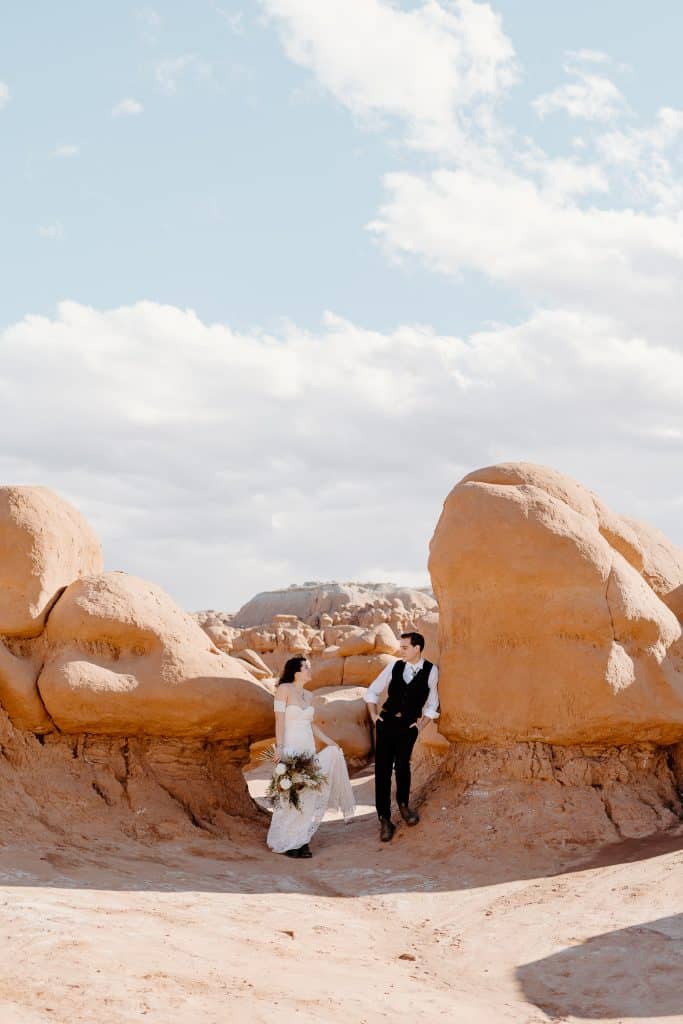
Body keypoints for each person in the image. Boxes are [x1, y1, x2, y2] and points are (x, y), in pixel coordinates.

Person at [266, 655, 355, 858]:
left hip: (308, 748)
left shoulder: (309, 695)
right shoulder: (284, 689)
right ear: (296, 671)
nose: (309, 670)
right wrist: (279, 747)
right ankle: (287, 842)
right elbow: (279, 720)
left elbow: (311, 724)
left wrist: (329, 741)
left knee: (309, 794)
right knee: (291, 794)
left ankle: (302, 840)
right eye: (306, 667)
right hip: (290, 747)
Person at [364, 631, 439, 842]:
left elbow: (432, 703)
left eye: (405, 647)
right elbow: (372, 691)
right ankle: (384, 819)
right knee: (382, 770)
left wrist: (419, 726)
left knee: (403, 766)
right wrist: (374, 717)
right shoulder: (394, 666)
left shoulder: (431, 670)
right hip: (386, 723)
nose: (401, 651)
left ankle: (404, 806)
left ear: (417, 648)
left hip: (408, 727)